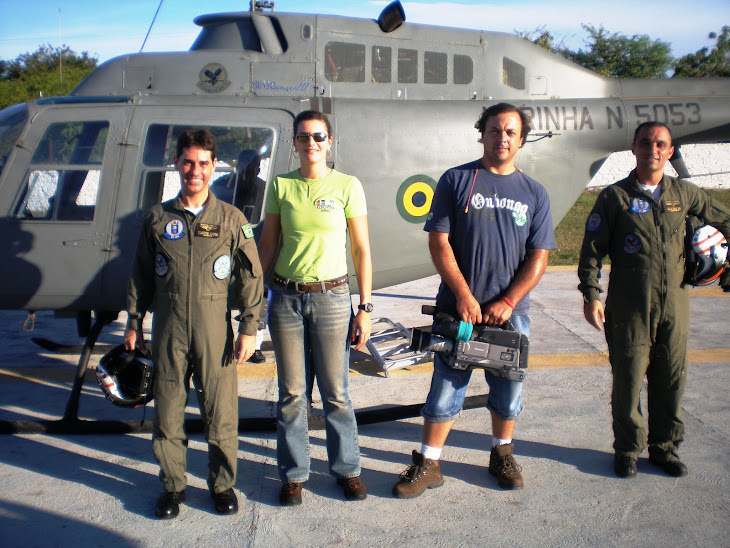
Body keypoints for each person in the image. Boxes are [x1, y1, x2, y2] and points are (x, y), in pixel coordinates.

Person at [392, 103, 555, 498]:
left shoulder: (534, 192)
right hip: (458, 310)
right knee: (447, 386)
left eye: (511, 132)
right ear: (482, 133)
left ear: (521, 139)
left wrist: (510, 301)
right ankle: (429, 463)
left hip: (509, 316)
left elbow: (540, 255)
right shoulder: (457, 180)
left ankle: (502, 454)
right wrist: (464, 295)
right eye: (495, 130)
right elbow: (439, 240)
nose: (502, 138)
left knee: (508, 387)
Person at [578, 121, 730, 479]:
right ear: (634, 148)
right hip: (630, 305)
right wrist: (591, 294)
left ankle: (665, 448)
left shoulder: (684, 194)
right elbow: (592, 251)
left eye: (661, 143)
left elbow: (724, 219)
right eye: (646, 142)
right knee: (628, 380)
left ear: (670, 150)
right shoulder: (614, 197)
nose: (653, 149)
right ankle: (628, 449)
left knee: (671, 378)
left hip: (676, 302)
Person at [124, 129, 263, 519]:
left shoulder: (232, 219)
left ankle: (222, 486)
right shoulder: (157, 218)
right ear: (177, 164)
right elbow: (140, 276)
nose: (195, 171)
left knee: (221, 414)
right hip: (169, 326)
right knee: (168, 411)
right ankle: (172, 487)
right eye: (188, 162)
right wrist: (134, 320)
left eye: (203, 163)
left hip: (214, 327)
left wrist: (250, 327)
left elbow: (252, 276)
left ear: (213, 165)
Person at [257, 110, 373, 506]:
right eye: (304, 137)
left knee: (336, 392)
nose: (311, 144)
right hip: (286, 299)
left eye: (318, 137)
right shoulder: (282, 186)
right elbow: (268, 245)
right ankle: (294, 475)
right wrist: (254, 295)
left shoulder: (347, 185)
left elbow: (361, 249)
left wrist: (366, 307)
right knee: (292, 394)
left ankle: (348, 470)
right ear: (294, 143)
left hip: (333, 299)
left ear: (329, 141)